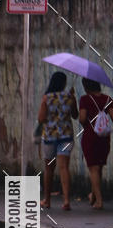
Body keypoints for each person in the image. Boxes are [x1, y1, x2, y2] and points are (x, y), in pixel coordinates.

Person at [37, 71, 78, 210]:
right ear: (64, 83)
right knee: (64, 168)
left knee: (49, 169)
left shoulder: (46, 98)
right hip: (66, 137)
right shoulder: (69, 97)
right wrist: (72, 100)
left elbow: (41, 119)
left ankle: (47, 200)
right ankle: (66, 201)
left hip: (50, 137)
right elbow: (75, 115)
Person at [79, 77, 113, 210]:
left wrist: (89, 120)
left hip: (90, 136)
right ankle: (93, 195)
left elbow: (82, 118)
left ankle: (99, 201)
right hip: (104, 137)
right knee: (99, 166)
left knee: (93, 168)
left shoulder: (85, 99)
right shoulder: (107, 99)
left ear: (86, 86)